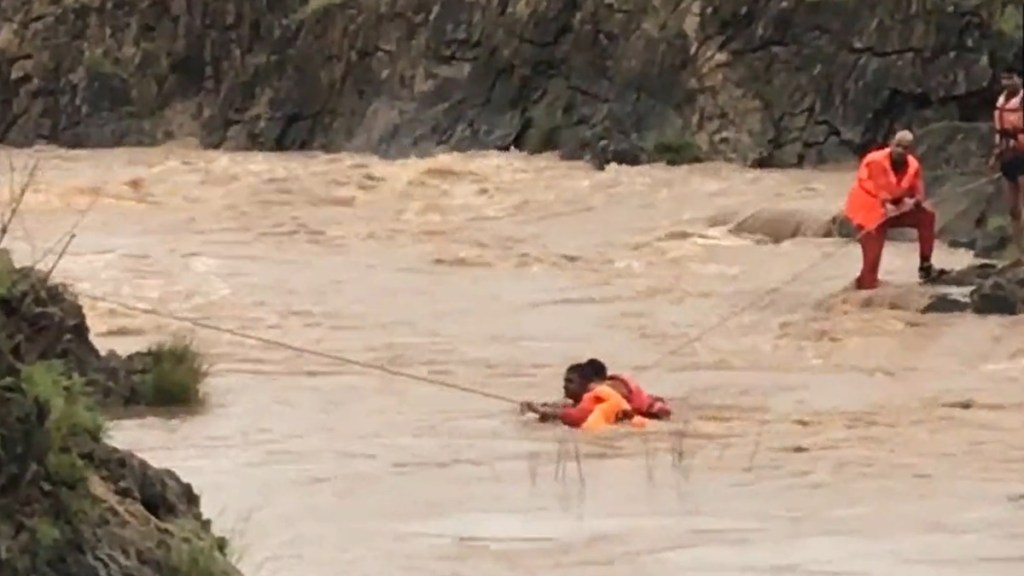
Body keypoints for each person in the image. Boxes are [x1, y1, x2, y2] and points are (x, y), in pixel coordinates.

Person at [844, 130, 938, 290]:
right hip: (869, 214)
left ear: (910, 150)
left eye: (905, 148)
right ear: (891, 144)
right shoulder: (875, 161)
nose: (900, 151)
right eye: (898, 146)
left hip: (893, 208)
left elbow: (918, 189)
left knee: (926, 216)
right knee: (870, 270)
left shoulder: (913, 165)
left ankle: (925, 265)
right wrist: (891, 204)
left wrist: (915, 201)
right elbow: (880, 189)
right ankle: (863, 290)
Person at [520, 359, 672, 428]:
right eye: (565, 382)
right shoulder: (589, 396)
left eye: (570, 382)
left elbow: (578, 416)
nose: (564, 387)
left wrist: (542, 411)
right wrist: (544, 408)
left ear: (586, 384)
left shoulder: (599, 393)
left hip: (654, 417)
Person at [992, 68, 1024, 256]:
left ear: (1019, 79)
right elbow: (999, 131)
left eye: (1010, 78)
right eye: (1004, 79)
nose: (1007, 82)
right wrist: (996, 153)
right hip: (1008, 156)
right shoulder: (1001, 101)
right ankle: (1020, 252)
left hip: (1022, 154)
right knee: (1013, 208)